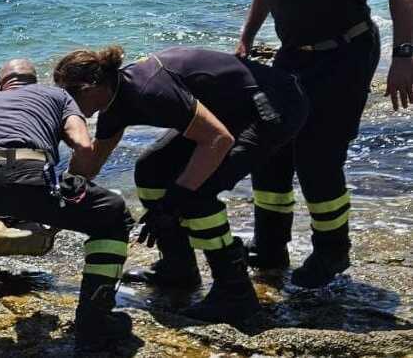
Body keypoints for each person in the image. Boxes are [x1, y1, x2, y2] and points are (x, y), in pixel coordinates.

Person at [221, 0, 413, 288]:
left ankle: (332, 252)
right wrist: (247, 35)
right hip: (293, 55)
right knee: (269, 146)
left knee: (318, 155)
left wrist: (404, 57)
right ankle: (270, 247)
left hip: (346, 54)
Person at [54, 45, 308, 323]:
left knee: (196, 193)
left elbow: (218, 140)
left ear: (91, 87)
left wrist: (176, 196)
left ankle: (235, 294)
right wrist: (55, 198)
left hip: (273, 106)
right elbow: (90, 163)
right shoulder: (114, 101)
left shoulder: (150, 91)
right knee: (151, 169)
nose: (67, 108)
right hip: (227, 113)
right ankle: (179, 269)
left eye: (69, 98)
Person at [0, 59, 134, 351]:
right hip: (29, 174)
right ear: (34, 80)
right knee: (113, 213)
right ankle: (95, 323)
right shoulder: (58, 96)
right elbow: (84, 145)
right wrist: (72, 187)